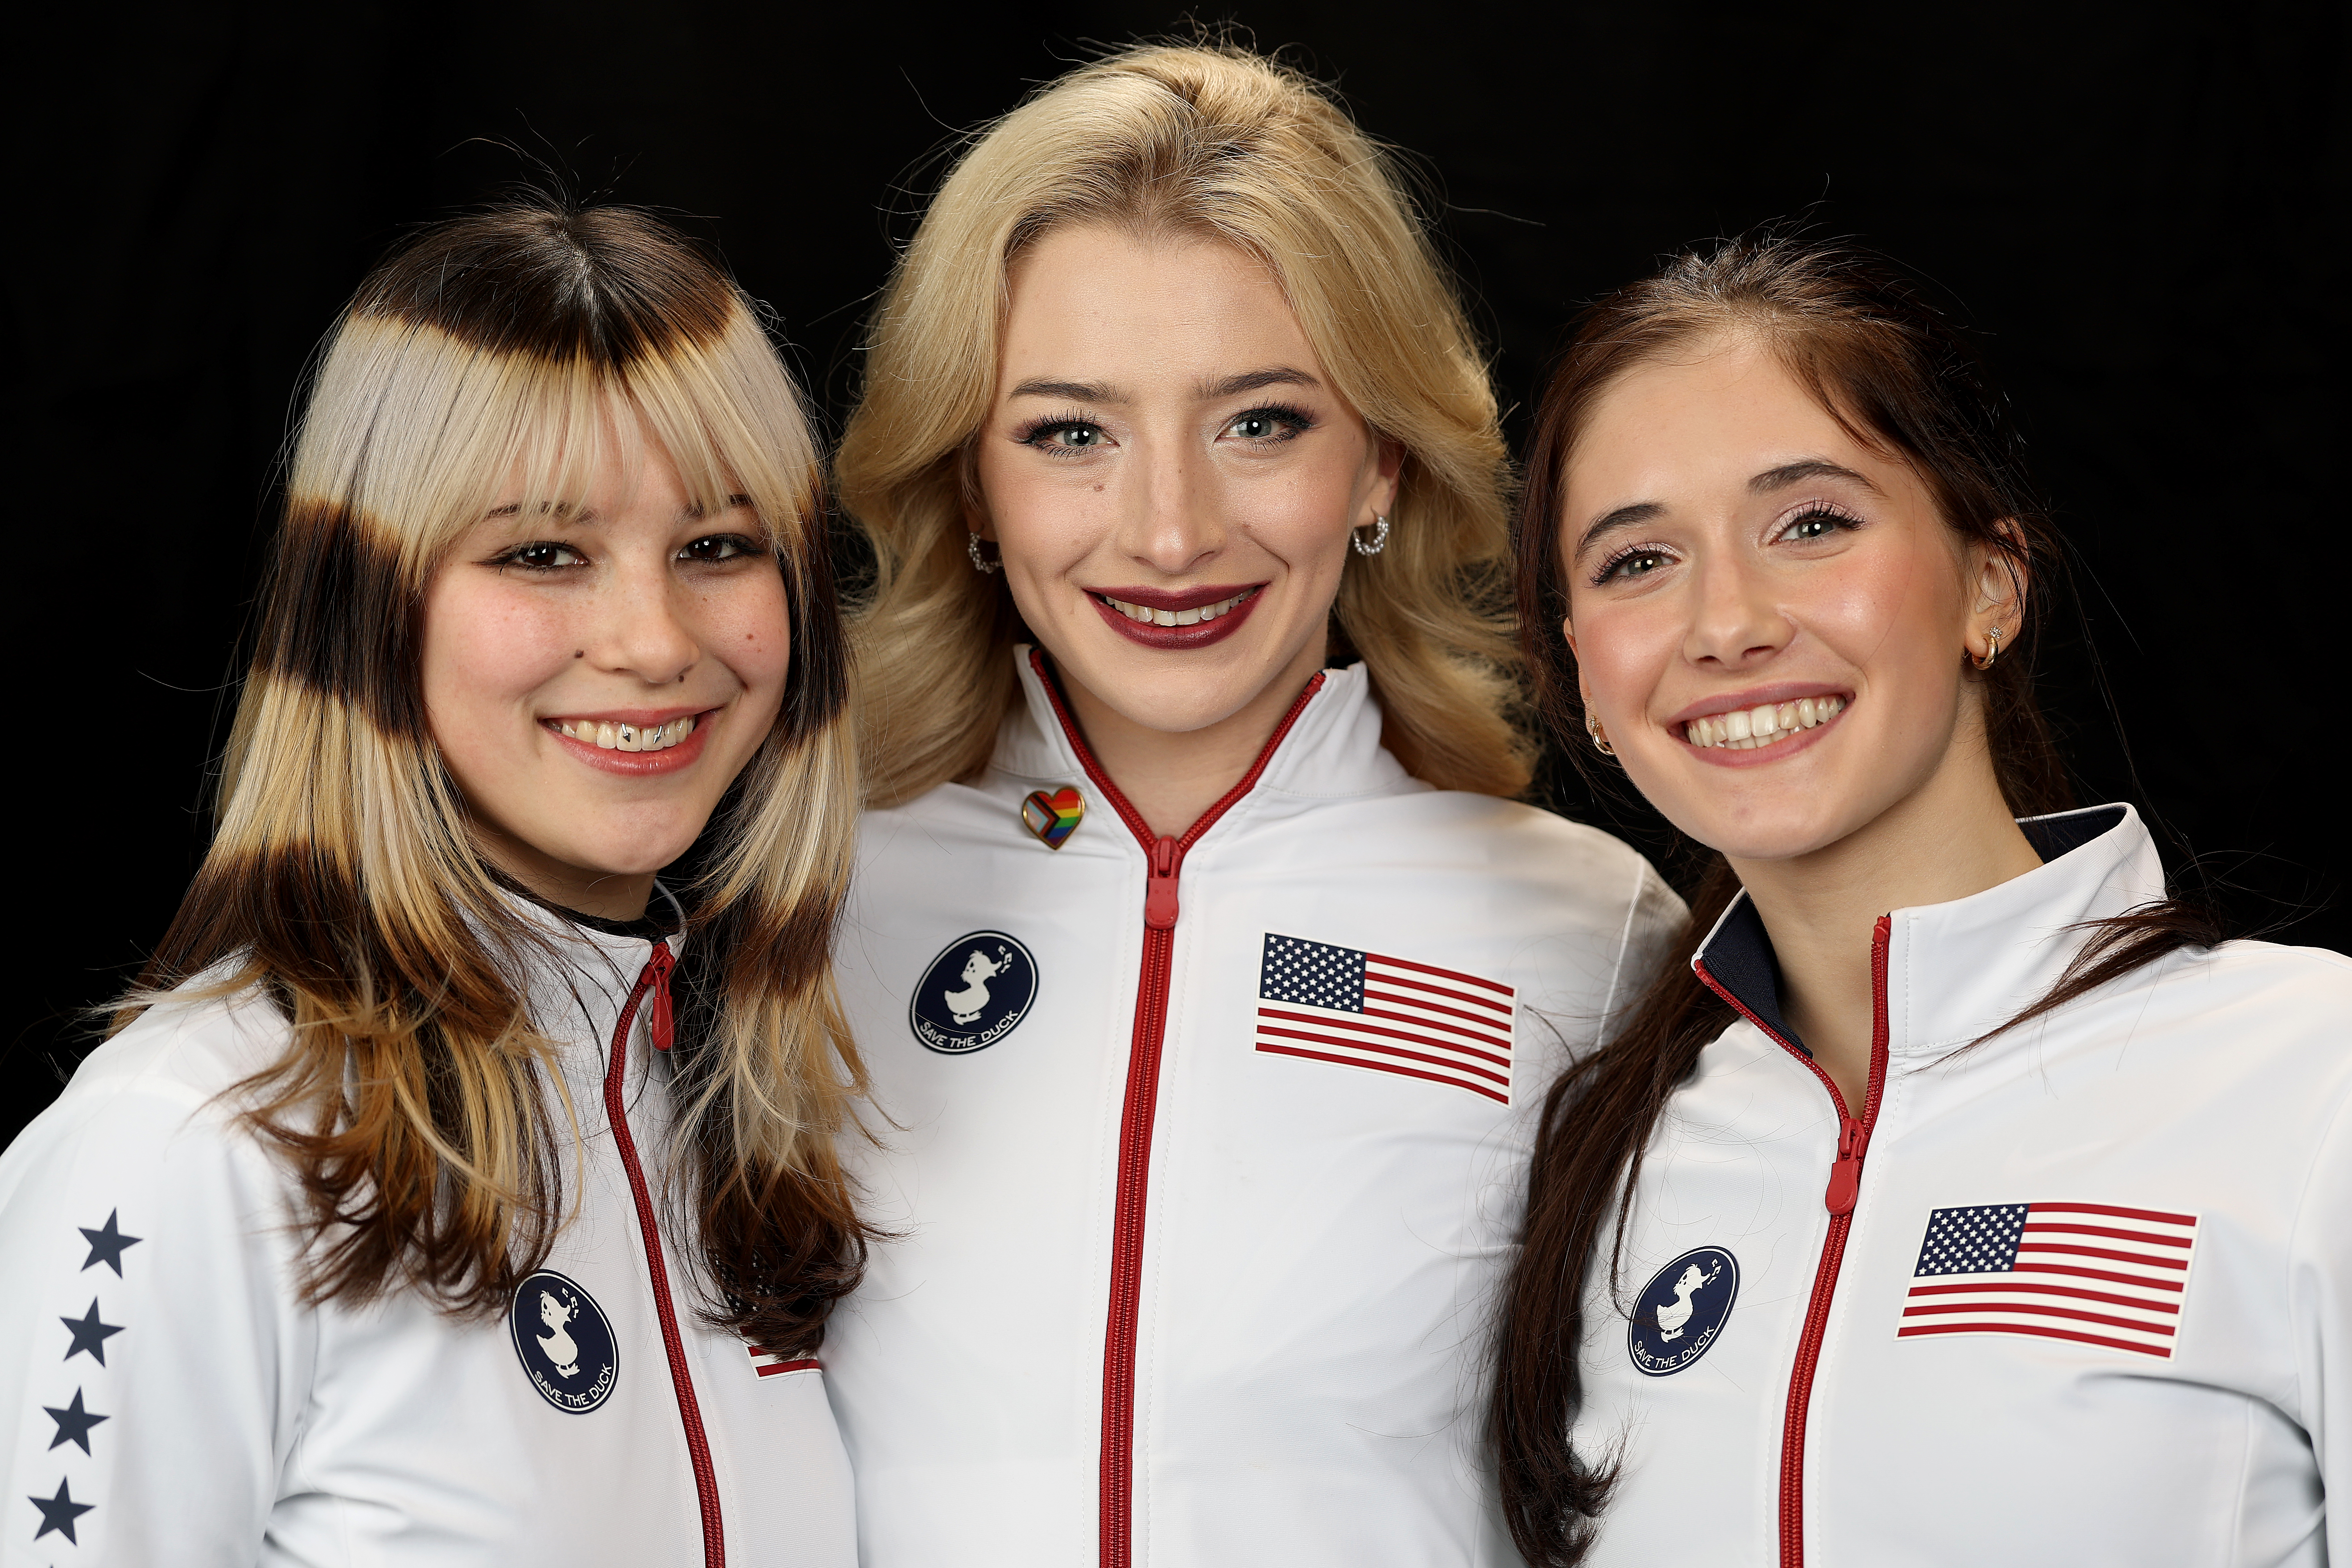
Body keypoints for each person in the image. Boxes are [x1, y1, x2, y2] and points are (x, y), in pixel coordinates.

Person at [823, 41, 1683, 1567]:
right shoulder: (802, 902)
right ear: (968, 484)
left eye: (1261, 421)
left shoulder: (1592, 931)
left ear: (1380, 465)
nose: (1169, 530)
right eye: (1069, 431)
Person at [0, 200, 869, 1565]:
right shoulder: (194, 1141)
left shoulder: (740, 1109)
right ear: (372, 601)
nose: (653, 641)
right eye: (540, 553)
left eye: (718, 545)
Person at [1489, 235, 2351, 1567]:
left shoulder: (2308, 1075)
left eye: (1811, 523)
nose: (1725, 622)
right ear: (1585, 685)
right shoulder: (1605, 1162)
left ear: (1989, 584)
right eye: (1635, 561)